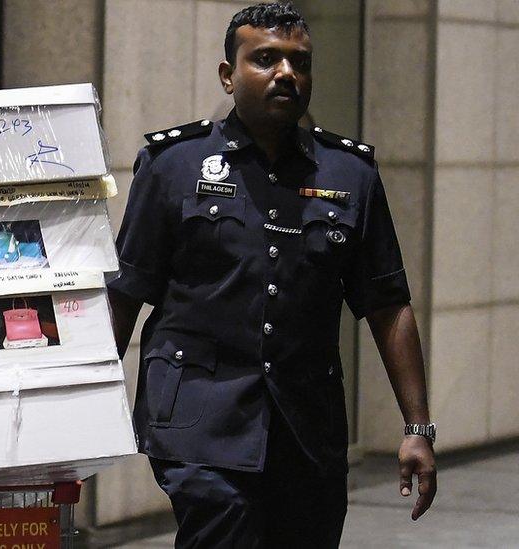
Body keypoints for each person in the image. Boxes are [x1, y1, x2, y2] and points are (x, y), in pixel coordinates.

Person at [108, 3, 436, 547]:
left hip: (308, 431)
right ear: (228, 75)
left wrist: (417, 427)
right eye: (265, 59)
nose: (286, 73)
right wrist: (76, 415)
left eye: (298, 62)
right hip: (200, 424)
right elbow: (125, 294)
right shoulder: (174, 165)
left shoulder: (349, 174)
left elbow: (387, 304)